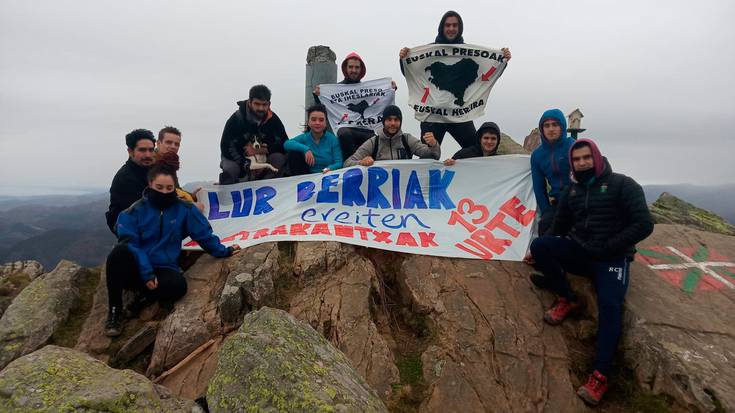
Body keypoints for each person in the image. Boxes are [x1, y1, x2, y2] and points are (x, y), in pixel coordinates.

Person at [527, 138, 654, 405]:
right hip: (582, 252)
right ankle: (568, 298)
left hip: (612, 259)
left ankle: (600, 376)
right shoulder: (573, 190)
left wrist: (612, 246)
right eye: (577, 159)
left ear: (596, 157)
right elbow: (559, 225)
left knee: (610, 306)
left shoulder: (623, 184)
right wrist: (538, 251)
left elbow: (643, 224)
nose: (582, 162)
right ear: (572, 162)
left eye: (586, 157)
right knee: (541, 245)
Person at [104, 160, 241, 337]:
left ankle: (142, 297)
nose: (164, 192)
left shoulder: (184, 209)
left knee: (178, 287)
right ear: (150, 185)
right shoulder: (133, 212)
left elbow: (203, 235)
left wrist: (224, 251)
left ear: (174, 188)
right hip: (137, 266)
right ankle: (115, 310)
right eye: (159, 187)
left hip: (164, 266)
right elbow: (131, 243)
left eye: (169, 188)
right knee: (118, 253)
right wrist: (146, 273)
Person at [399, 10, 511, 149]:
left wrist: (502, 60)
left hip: (460, 114)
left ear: (459, 28)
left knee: (475, 151)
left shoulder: (471, 54)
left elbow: (486, 75)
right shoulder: (428, 51)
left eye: (454, 25)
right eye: (447, 25)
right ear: (442, 27)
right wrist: (404, 59)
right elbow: (413, 75)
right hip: (432, 116)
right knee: (427, 156)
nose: (451, 29)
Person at [313, 52, 397, 160]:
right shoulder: (335, 89)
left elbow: (381, 101)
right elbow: (323, 109)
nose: (354, 70)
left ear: (361, 69)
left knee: (376, 138)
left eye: (357, 67)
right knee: (343, 133)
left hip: (367, 129)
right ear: (345, 68)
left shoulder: (369, 90)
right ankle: (350, 164)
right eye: (351, 67)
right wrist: (318, 96)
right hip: (346, 130)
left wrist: (390, 90)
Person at [219, 85, 287, 184]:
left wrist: (261, 150)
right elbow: (226, 146)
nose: (261, 108)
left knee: (279, 159)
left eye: (264, 105)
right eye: (257, 104)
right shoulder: (236, 119)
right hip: (238, 159)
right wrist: (246, 164)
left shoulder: (273, 120)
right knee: (230, 169)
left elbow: (283, 143)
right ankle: (226, 196)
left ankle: (265, 188)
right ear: (250, 102)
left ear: (269, 104)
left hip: (263, 159)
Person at [344, 105, 440, 167]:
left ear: (400, 122)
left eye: (396, 120)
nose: (393, 123)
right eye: (389, 120)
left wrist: (433, 145)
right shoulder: (374, 142)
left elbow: (434, 156)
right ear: (384, 122)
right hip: (380, 195)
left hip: (404, 193)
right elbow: (347, 163)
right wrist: (361, 163)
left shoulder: (407, 139)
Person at [530, 109, 575, 235]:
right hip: (556, 204)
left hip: (577, 200)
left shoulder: (572, 146)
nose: (551, 129)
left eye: (555, 125)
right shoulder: (537, 155)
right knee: (545, 226)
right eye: (547, 125)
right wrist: (546, 211)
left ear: (562, 127)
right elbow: (539, 187)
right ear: (542, 128)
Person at [105, 129, 156, 234]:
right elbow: (141, 215)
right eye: (142, 150)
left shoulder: (152, 170)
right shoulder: (125, 178)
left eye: (151, 150)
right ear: (130, 151)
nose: (148, 155)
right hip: (133, 234)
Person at [284, 104, 343, 176]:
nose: (317, 123)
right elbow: (287, 144)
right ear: (308, 122)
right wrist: (306, 149)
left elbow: (339, 162)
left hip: (327, 175)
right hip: (306, 177)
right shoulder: (304, 137)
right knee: (293, 153)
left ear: (326, 123)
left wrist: (329, 168)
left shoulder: (332, 139)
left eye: (321, 120)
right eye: (313, 119)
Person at [154, 125, 199, 205]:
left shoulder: (170, 163)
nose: (173, 147)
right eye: (168, 142)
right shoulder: (150, 163)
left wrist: (193, 196)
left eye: (176, 144)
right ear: (158, 143)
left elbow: (176, 189)